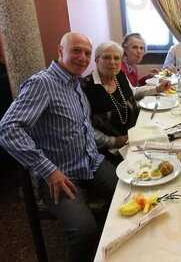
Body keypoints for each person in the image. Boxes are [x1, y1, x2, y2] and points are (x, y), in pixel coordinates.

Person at [0, 32, 117, 262]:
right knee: (85, 231)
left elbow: (83, 129)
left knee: (128, 195)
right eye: (76, 50)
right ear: (60, 51)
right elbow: (7, 129)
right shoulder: (42, 84)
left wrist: (113, 144)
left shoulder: (76, 84)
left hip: (91, 163)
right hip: (61, 175)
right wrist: (48, 170)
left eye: (86, 52)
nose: (82, 57)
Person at [82, 41, 139, 164]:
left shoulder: (120, 76)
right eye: (107, 57)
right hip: (110, 150)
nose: (112, 62)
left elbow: (133, 94)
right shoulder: (87, 87)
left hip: (135, 138)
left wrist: (156, 89)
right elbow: (85, 128)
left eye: (116, 58)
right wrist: (113, 141)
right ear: (97, 61)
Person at [121, 33, 171, 99]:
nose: (139, 51)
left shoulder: (133, 66)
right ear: (125, 49)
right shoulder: (120, 69)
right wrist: (157, 89)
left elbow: (135, 85)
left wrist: (147, 77)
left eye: (141, 48)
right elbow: (132, 93)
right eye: (134, 47)